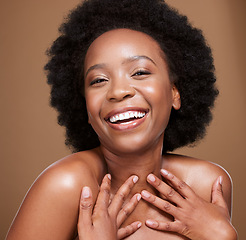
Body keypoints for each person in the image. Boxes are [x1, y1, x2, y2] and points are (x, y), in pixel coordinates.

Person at [6, 0, 237, 239]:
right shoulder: (67, 186)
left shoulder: (207, 185)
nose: (118, 91)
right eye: (98, 80)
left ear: (174, 93)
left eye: (139, 72)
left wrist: (222, 236)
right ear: (85, 107)